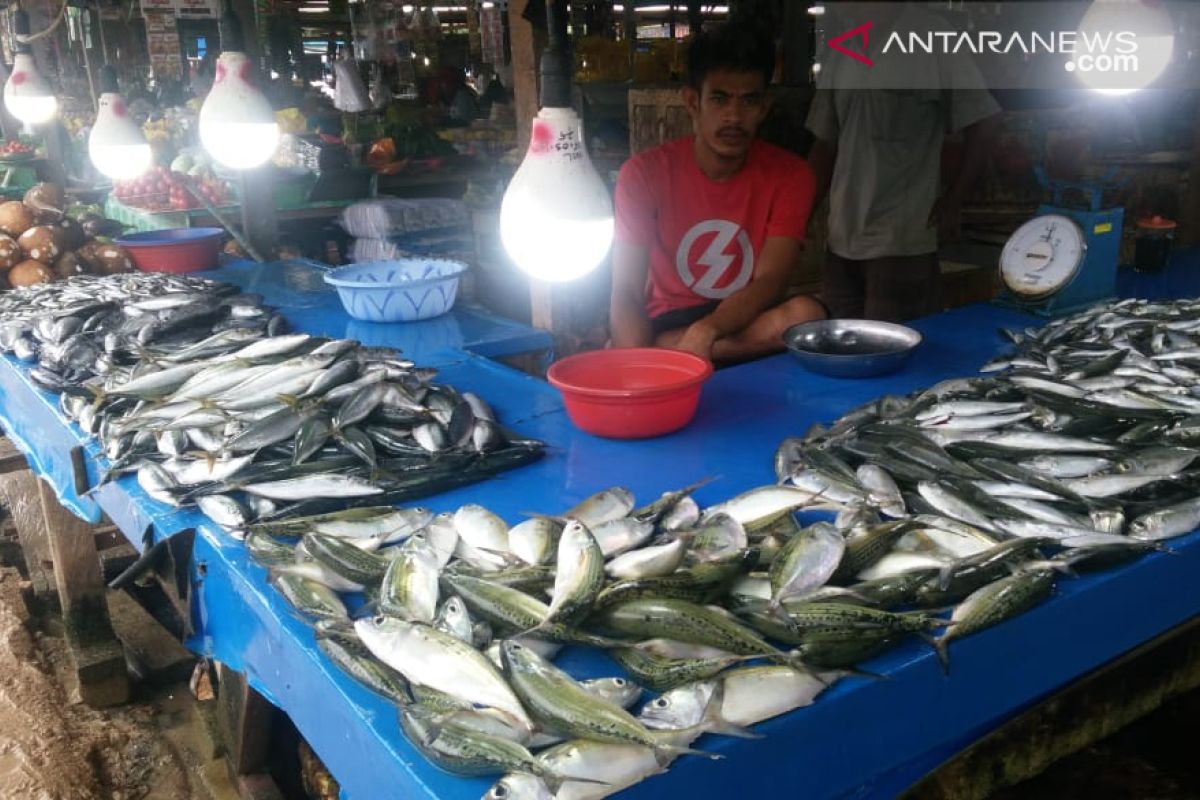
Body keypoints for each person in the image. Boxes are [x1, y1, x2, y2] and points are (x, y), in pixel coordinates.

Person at [608, 22, 826, 364]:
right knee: (632, 344)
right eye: (720, 99)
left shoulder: (792, 175)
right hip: (672, 318)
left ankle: (670, 354)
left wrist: (707, 331)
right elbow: (627, 290)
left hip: (747, 318)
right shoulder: (643, 174)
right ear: (693, 102)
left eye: (749, 101)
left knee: (807, 314)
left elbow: (771, 281)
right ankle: (663, 354)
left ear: (765, 107)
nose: (734, 117)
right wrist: (631, 365)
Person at [805, 2, 1001, 322]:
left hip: (902, 241)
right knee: (840, 346)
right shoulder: (842, 50)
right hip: (841, 239)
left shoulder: (932, 37)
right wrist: (801, 216)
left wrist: (955, 199)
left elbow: (985, 120)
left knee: (896, 353)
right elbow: (825, 143)